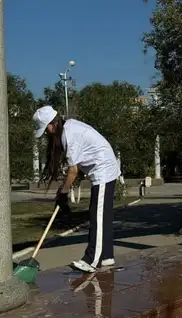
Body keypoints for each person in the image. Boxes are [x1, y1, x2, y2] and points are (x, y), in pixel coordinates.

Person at [34, 105, 121, 273]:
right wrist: (64, 189)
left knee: (98, 216)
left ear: (53, 123)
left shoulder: (69, 134)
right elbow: (78, 166)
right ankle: (107, 257)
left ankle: (91, 260)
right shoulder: (69, 127)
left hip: (103, 170)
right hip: (102, 169)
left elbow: (73, 170)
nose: (46, 133)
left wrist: (63, 193)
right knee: (101, 215)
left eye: (46, 129)